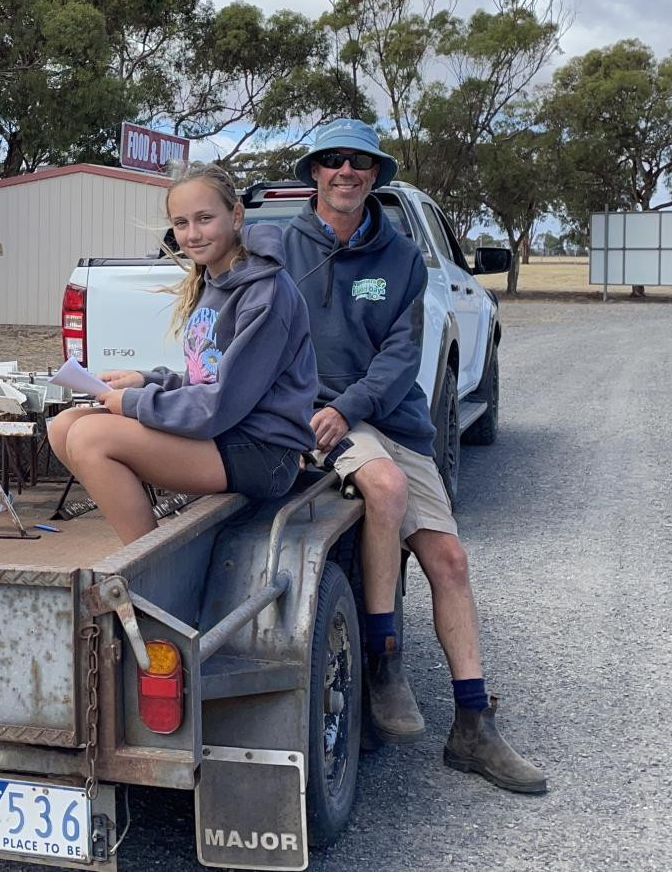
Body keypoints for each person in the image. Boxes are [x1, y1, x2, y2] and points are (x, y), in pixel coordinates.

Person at [275, 118, 547, 795]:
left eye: (360, 162)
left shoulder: (399, 257)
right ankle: (385, 660)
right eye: (333, 160)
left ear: (375, 175)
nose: (346, 171)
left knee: (451, 557)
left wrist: (354, 405)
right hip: (322, 418)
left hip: (384, 414)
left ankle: (472, 724)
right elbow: (255, 329)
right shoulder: (280, 248)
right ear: (314, 171)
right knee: (386, 488)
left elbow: (402, 354)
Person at [47, 162, 317, 543]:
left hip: (263, 452)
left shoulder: (265, 295)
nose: (192, 234)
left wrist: (134, 402)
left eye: (204, 218)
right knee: (64, 427)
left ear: (235, 215)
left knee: (91, 438)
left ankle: (148, 573)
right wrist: (147, 379)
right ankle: (148, 550)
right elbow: (206, 378)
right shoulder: (212, 279)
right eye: (181, 223)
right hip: (225, 433)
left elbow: (218, 405)